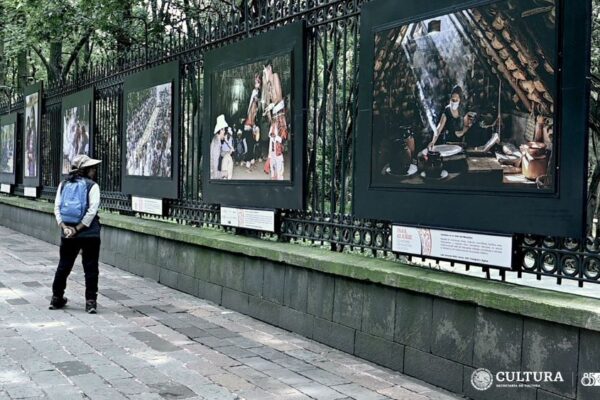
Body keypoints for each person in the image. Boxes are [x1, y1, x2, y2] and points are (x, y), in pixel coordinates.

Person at [50, 154, 102, 314]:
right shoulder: (92, 186)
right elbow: (92, 211)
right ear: (86, 170)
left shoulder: (63, 184)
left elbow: (57, 208)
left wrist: (65, 227)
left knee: (64, 266)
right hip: (90, 234)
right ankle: (90, 302)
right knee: (91, 267)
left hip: (68, 234)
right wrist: (78, 228)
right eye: (92, 168)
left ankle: (56, 298)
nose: (94, 170)